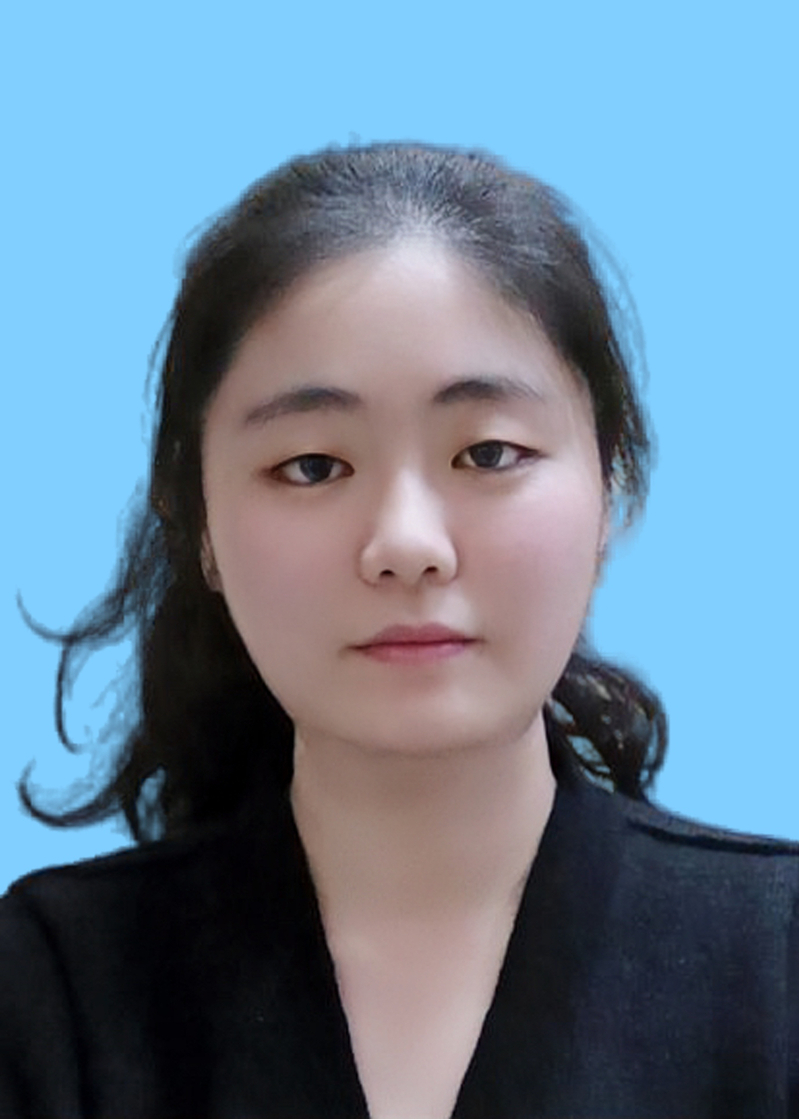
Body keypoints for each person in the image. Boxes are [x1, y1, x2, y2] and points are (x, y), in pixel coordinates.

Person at [1, 142, 796, 1119]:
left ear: (611, 489)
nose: (406, 545)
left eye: (488, 453)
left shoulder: (776, 960)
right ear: (198, 522)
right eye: (312, 466)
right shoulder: (50, 989)